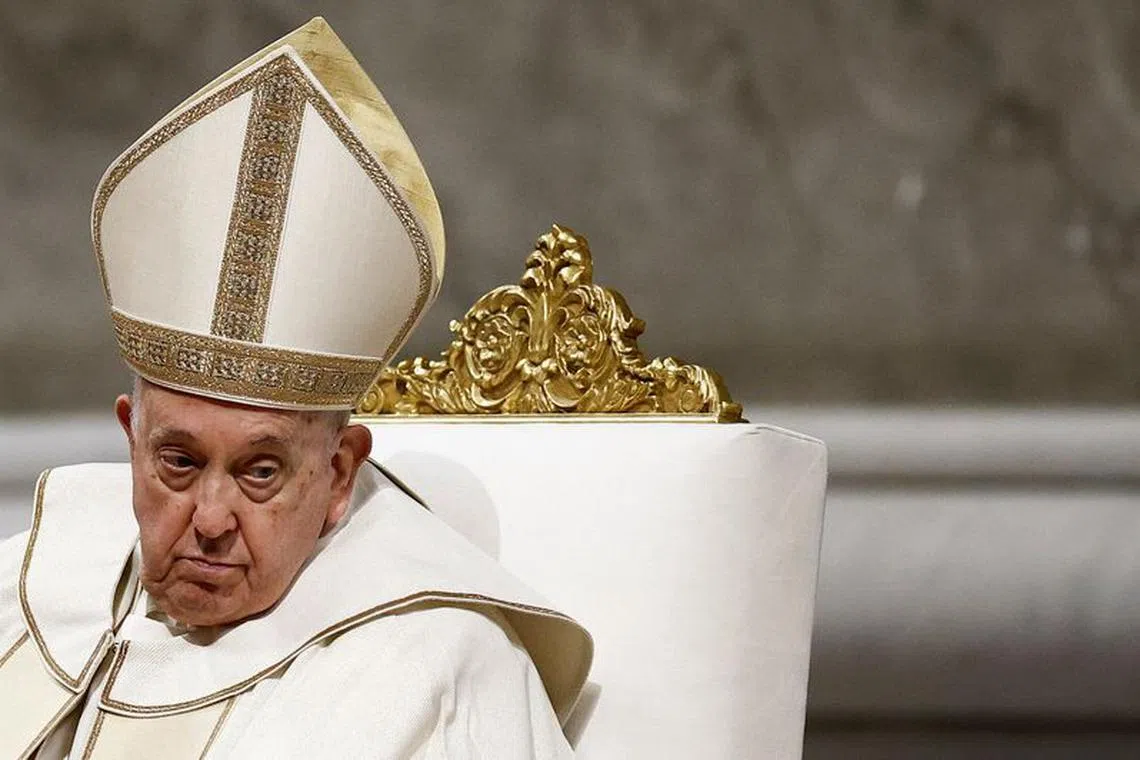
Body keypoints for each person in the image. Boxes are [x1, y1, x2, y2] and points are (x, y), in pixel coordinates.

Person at [0, 17, 591, 759]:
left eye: (259, 471)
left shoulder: (439, 667)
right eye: (178, 462)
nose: (210, 519)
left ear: (339, 473)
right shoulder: (31, 587)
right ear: (131, 436)